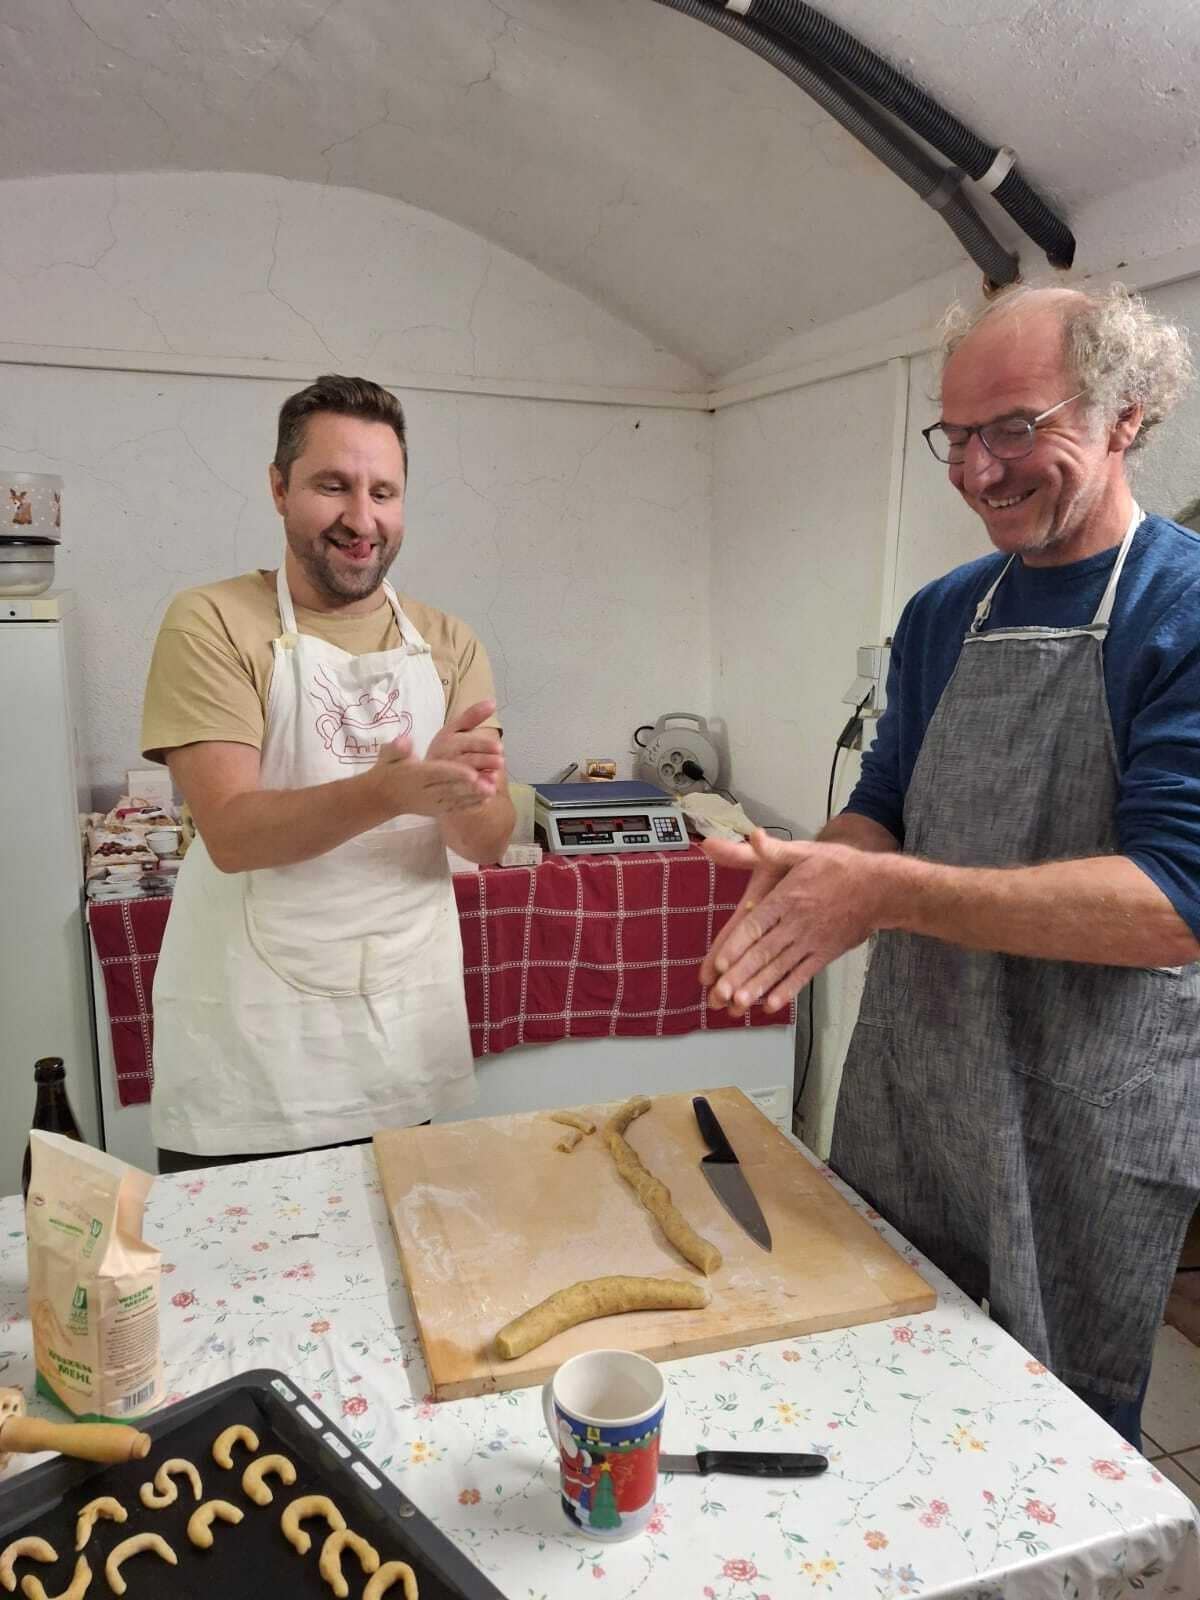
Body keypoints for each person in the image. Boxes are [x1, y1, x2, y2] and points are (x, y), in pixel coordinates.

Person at [700, 284, 1200, 1449]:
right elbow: (884, 809)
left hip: (1088, 1119)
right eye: (957, 437)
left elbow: (1176, 903)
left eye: (1016, 428)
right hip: (919, 1090)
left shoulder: (1180, 610)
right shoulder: (944, 614)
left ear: (1125, 414)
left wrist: (888, 893)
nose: (979, 471)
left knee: (1055, 1445)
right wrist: (813, 867)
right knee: (888, 1394)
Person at [141, 375, 514, 1172]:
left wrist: (464, 795)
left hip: (402, 1051)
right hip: (253, 1065)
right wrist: (388, 791)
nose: (361, 518)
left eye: (384, 492)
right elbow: (233, 834)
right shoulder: (212, 622)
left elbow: (488, 843)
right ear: (278, 488)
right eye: (332, 486)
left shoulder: (449, 643)